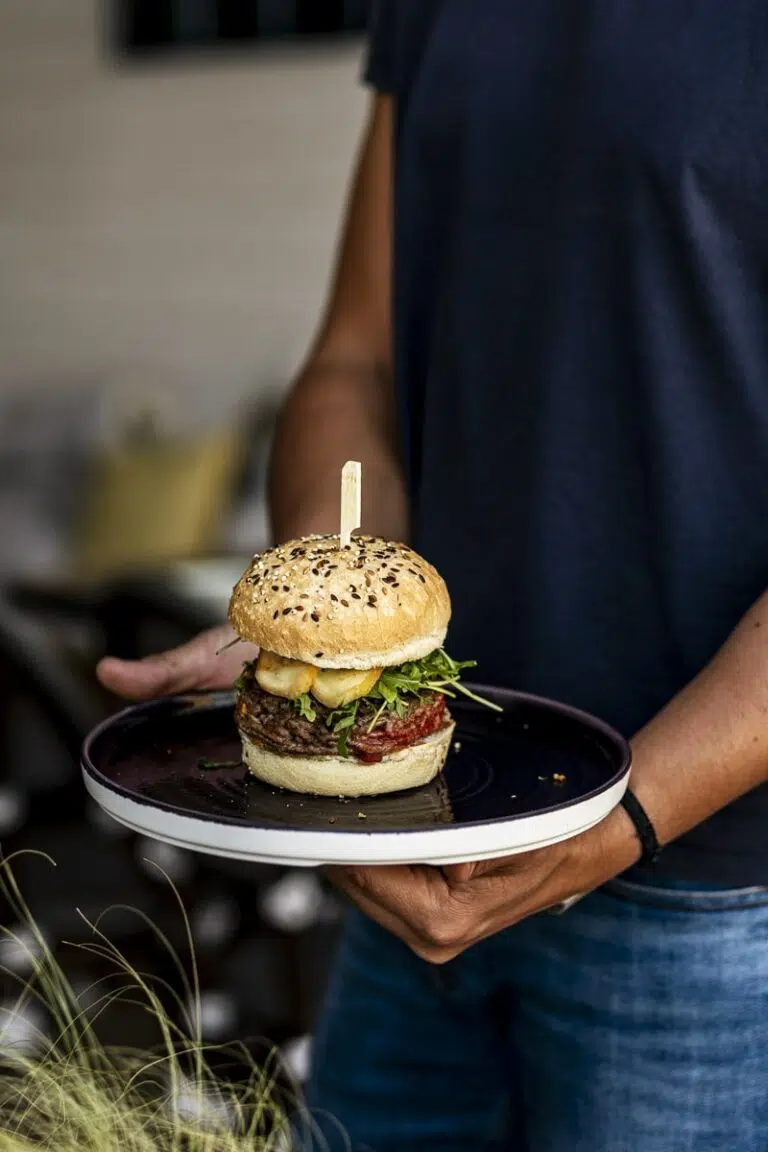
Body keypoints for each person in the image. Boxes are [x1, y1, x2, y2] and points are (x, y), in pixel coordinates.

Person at [98, 3, 768, 1149]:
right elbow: (354, 362)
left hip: (706, 910)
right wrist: (321, 600)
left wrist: (619, 827)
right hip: (419, 847)